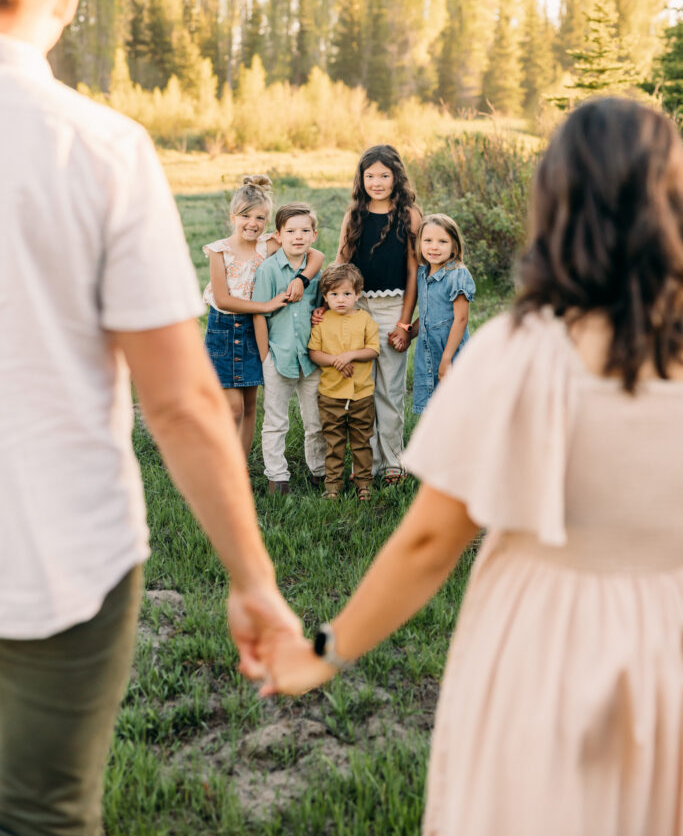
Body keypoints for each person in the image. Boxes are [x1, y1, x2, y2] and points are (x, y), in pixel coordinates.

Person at [258, 98, 683, 836]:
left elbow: (429, 543)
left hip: (543, 637)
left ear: (554, 201)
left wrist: (324, 650)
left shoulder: (524, 351)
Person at [0, 0, 298, 836]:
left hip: (61, 560)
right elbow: (178, 402)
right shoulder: (97, 149)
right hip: (58, 561)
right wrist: (252, 581)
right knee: (45, 815)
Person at [202, 174, 323, 458]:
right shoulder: (219, 251)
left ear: (267, 223)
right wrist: (266, 306)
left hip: (255, 329)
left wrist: (302, 280)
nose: (252, 224)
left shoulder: (267, 246)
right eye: (246, 216)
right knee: (233, 408)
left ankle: (240, 466)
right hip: (224, 330)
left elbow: (316, 255)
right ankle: (223, 459)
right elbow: (222, 299)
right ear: (233, 216)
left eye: (260, 218)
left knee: (251, 405)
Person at [332, 144, 422, 484]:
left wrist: (404, 323)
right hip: (356, 308)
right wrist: (326, 308)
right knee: (360, 390)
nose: (377, 182)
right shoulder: (354, 214)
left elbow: (414, 273)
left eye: (384, 175)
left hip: (392, 308)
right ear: (361, 179)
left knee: (390, 390)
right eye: (370, 176)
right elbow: (341, 263)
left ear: (396, 177)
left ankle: (393, 463)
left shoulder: (409, 215)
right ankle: (364, 465)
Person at [252, 202, 326, 494]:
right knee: (275, 420)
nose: (298, 236)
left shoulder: (315, 269)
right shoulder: (269, 270)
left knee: (315, 419)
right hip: (278, 355)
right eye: (291, 231)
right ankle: (277, 476)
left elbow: (321, 304)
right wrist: (265, 356)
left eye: (305, 230)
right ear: (278, 235)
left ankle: (319, 470)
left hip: (310, 358)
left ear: (314, 235)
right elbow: (259, 312)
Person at [308, 263, 380, 501]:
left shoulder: (365, 319)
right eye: (334, 294)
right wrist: (336, 361)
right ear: (325, 297)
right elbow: (314, 353)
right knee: (334, 442)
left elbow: (373, 350)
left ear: (357, 295)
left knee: (361, 442)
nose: (341, 299)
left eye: (347, 294)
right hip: (331, 395)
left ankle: (364, 484)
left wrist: (350, 355)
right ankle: (333, 486)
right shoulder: (321, 322)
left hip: (361, 394)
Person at [410, 214, 475, 414]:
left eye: (442, 241)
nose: (434, 247)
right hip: (428, 351)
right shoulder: (422, 273)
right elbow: (428, 315)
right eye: (428, 241)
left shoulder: (457, 275)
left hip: (449, 349)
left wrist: (447, 358)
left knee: (454, 407)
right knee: (432, 410)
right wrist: (409, 332)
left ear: (454, 246)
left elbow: (461, 319)